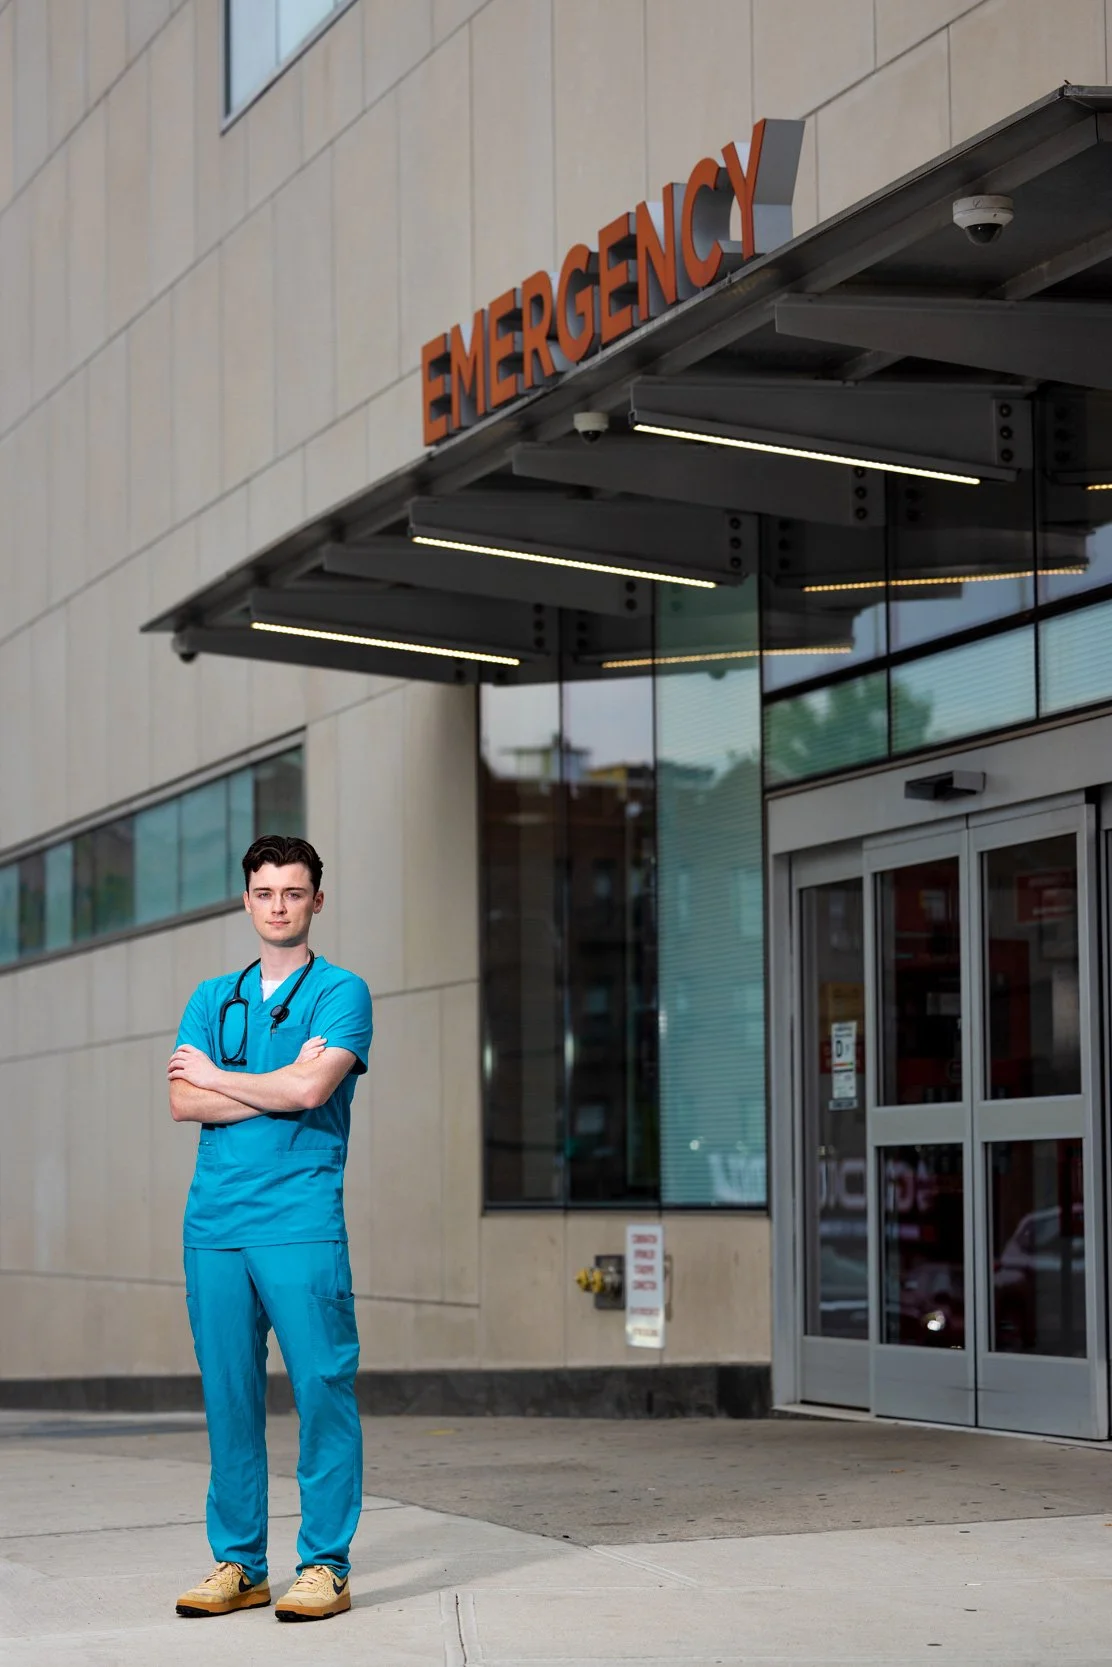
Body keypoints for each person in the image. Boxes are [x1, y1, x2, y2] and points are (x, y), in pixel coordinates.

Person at [167, 834, 372, 1623]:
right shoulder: (210, 997)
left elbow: (313, 1089)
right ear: (246, 899)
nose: (278, 905)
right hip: (214, 1225)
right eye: (264, 892)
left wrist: (224, 1076)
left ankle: (325, 1563)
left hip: (300, 1222)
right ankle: (240, 1562)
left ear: (317, 899)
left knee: (322, 1387)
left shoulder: (341, 993)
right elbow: (185, 1100)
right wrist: (269, 1083)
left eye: (293, 892)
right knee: (229, 1396)